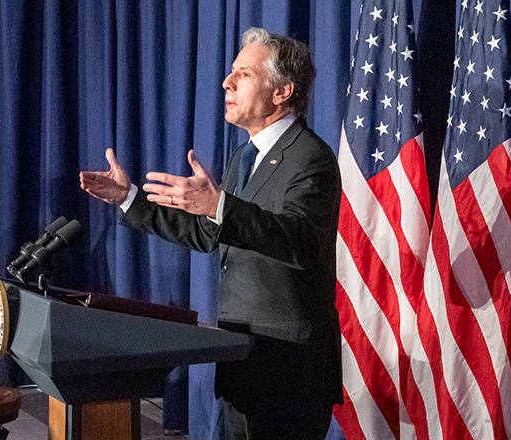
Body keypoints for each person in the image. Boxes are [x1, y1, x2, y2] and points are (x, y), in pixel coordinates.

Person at [79, 27, 341, 439]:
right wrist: (129, 198)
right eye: (232, 71)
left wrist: (220, 206)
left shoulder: (311, 158)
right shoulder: (245, 155)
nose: (226, 82)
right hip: (243, 357)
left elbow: (301, 240)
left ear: (282, 91)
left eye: (245, 74)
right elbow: (207, 233)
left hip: (289, 370)